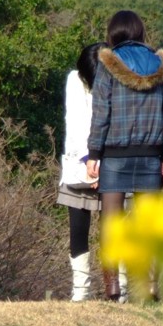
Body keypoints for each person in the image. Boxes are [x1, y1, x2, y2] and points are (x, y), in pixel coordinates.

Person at [86, 10, 163, 302]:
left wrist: (93, 154)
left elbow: (101, 112)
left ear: (114, 33)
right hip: (151, 155)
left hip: (114, 155)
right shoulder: (161, 66)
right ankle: (150, 285)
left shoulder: (107, 65)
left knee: (111, 222)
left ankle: (112, 286)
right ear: (140, 32)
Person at [57, 42, 106, 301]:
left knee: (114, 230)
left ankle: (117, 289)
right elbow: (74, 123)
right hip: (79, 164)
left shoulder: (117, 80)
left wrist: (102, 163)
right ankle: (80, 290)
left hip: (111, 165)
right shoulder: (75, 81)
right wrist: (89, 162)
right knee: (77, 228)